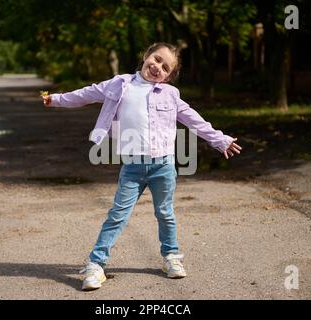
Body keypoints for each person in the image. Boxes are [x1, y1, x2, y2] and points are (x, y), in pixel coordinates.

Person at [42, 42, 242, 291]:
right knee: (117, 215)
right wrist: (56, 99)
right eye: (156, 59)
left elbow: (194, 120)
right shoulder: (120, 84)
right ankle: (95, 264)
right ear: (146, 55)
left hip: (163, 166)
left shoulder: (171, 94)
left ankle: (171, 257)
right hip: (133, 167)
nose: (157, 67)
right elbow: (86, 94)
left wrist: (219, 139)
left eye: (165, 67)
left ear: (169, 76)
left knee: (165, 214)